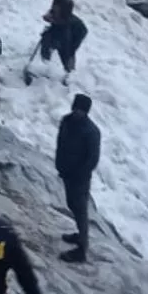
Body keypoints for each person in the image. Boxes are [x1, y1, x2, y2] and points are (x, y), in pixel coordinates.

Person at [55, 94, 101, 263]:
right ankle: (80, 235)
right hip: (66, 172)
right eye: (76, 108)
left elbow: (92, 159)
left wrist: (79, 174)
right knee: (72, 204)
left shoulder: (92, 131)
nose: (77, 112)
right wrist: (59, 165)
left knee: (80, 209)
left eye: (81, 110)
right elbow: (60, 143)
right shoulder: (66, 121)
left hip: (80, 178)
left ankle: (82, 248)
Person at [41, 0, 87, 84]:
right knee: (47, 37)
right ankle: (45, 59)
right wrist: (49, 15)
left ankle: (70, 76)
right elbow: (53, 11)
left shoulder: (67, 2)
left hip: (76, 30)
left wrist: (52, 20)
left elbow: (65, 20)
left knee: (67, 50)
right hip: (63, 26)